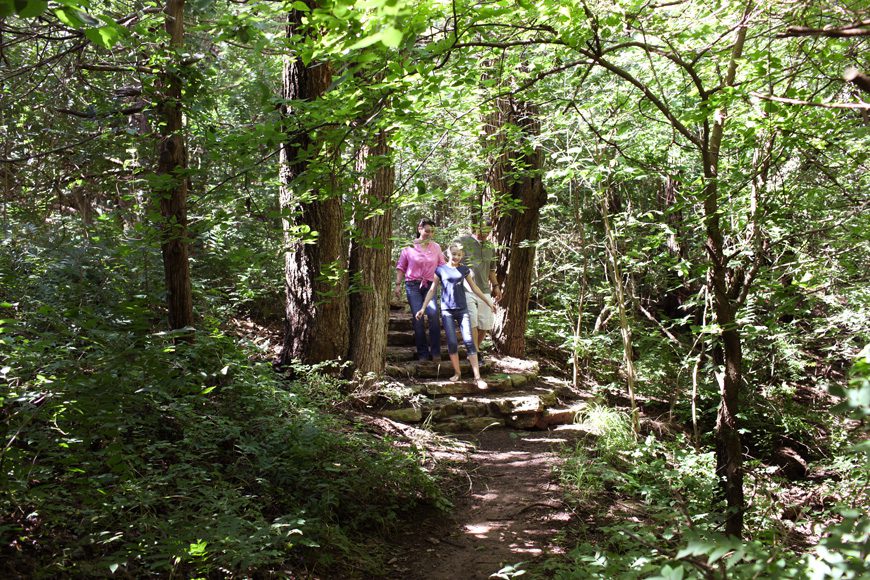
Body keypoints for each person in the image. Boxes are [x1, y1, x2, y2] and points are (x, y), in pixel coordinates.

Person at [416, 241, 496, 389]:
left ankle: (477, 377)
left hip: (462, 310)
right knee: (452, 342)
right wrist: (423, 308)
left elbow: (475, 288)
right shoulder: (440, 270)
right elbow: (432, 290)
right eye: (454, 254)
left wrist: (489, 303)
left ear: (462, 256)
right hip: (447, 311)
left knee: (469, 341)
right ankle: (457, 372)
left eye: (459, 255)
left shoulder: (464, 270)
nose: (456, 257)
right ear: (448, 254)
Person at [394, 218, 446, 361]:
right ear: (419, 229)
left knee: (434, 314)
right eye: (427, 231)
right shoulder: (409, 246)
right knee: (418, 318)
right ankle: (422, 354)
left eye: (432, 232)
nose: (429, 234)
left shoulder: (436, 247)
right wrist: (398, 285)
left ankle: (435, 353)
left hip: (430, 286)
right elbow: (401, 267)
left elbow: (442, 265)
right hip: (413, 285)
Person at [457, 220, 502, 355]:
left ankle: (475, 349)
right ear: (476, 228)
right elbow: (447, 259)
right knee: (472, 321)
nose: (485, 234)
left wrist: (496, 286)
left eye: (488, 231)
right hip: (466, 289)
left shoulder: (490, 246)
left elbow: (491, 270)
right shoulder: (462, 241)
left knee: (485, 324)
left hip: (484, 290)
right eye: (483, 230)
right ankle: (474, 352)